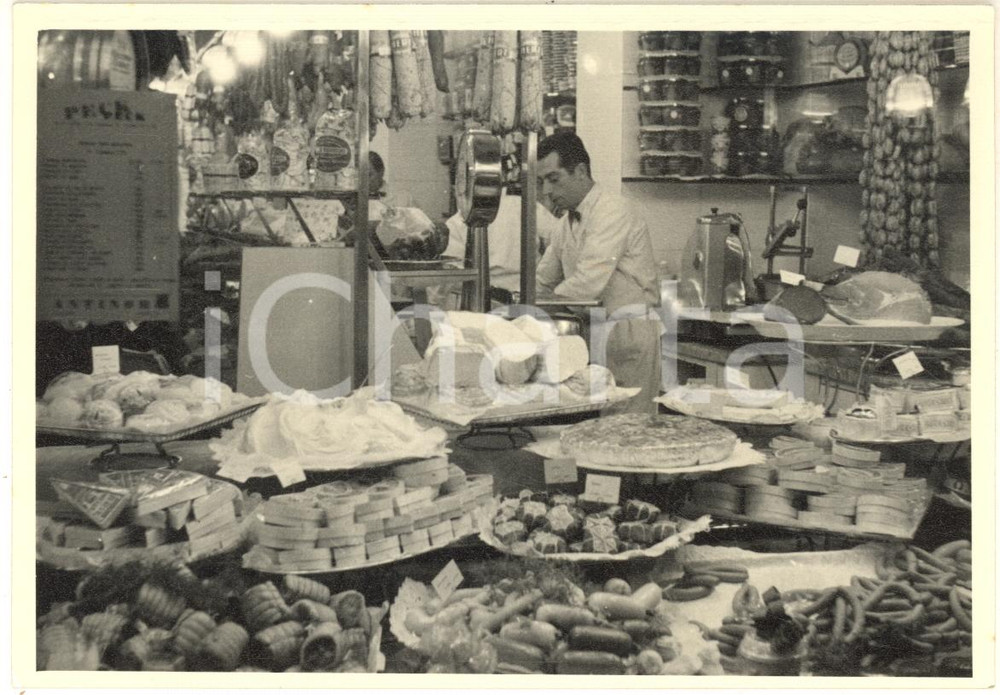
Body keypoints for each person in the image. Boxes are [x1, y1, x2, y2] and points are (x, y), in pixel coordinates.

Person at [535, 131, 661, 414]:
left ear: (580, 171)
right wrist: (521, 304)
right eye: (542, 182)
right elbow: (543, 279)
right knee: (596, 426)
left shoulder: (613, 210)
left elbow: (588, 283)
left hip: (627, 333)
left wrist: (535, 306)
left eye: (554, 180)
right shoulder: (565, 223)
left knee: (630, 425)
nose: (547, 192)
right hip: (593, 332)